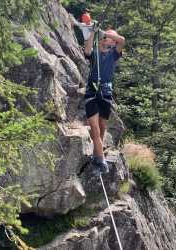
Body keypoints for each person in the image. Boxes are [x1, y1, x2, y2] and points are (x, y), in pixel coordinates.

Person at [70, 14, 125, 175]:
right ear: (104, 39)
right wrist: (94, 32)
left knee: (101, 129)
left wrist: (106, 33)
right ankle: (100, 161)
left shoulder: (114, 54)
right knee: (94, 128)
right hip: (92, 92)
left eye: (112, 38)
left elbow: (122, 40)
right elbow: (86, 50)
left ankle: (97, 155)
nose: (112, 40)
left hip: (106, 94)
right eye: (109, 37)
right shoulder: (94, 52)